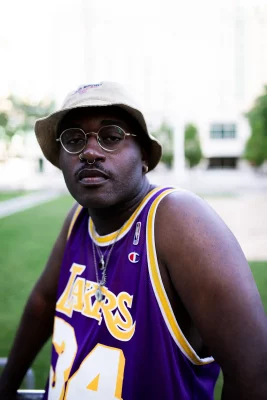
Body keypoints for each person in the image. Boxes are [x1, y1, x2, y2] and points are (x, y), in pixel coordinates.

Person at [0, 81, 267, 400]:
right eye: (73, 140)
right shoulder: (78, 219)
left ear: (144, 157)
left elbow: (254, 375)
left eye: (111, 137)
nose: (89, 151)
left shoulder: (177, 219)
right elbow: (43, 303)